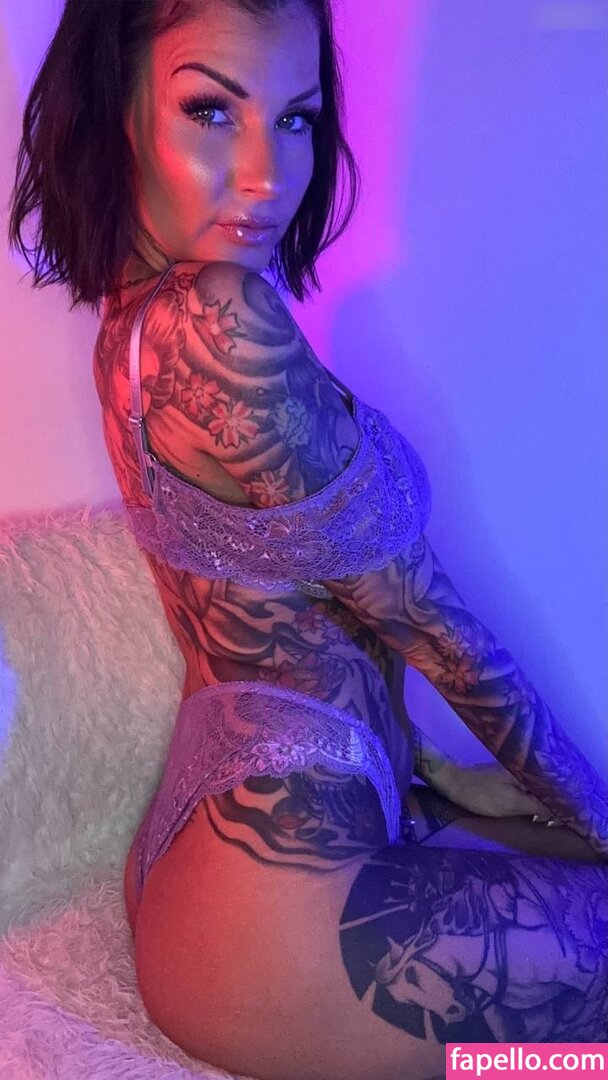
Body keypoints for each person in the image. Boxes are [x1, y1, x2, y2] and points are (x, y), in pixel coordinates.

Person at [7, 1, 608, 1076]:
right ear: (119, 108)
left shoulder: (134, 320)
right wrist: (596, 809)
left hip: (241, 848)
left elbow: (296, 597)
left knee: (548, 1051)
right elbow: (422, 618)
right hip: (270, 915)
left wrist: (434, 776)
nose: (265, 174)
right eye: (210, 110)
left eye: (295, 119)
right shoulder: (217, 317)